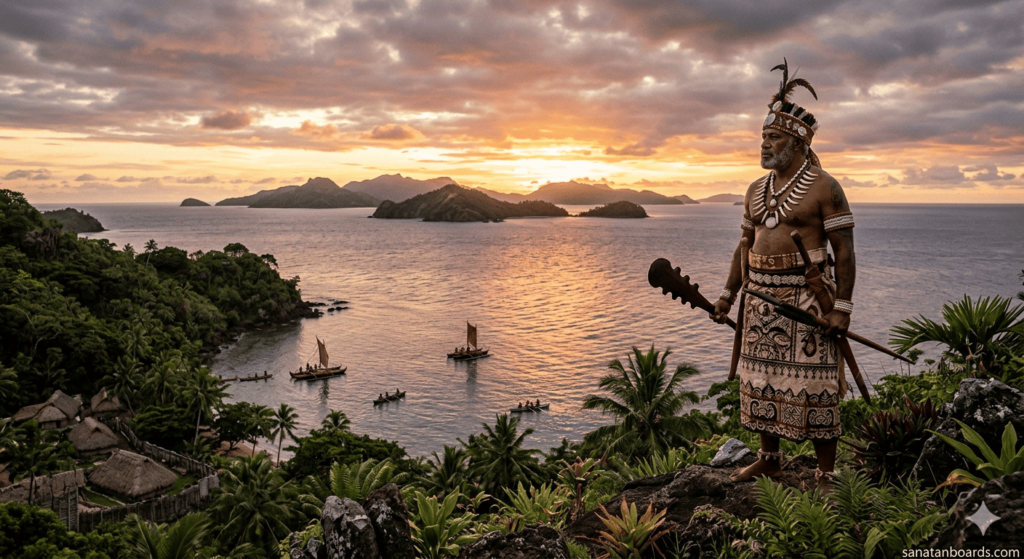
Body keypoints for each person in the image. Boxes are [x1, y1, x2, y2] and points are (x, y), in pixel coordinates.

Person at [711, 59, 855, 494]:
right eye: (763, 137)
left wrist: (842, 309)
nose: (764, 144)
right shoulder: (756, 190)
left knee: (817, 387)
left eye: (773, 137)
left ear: (796, 141)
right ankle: (769, 459)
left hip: (808, 300)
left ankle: (826, 473)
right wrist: (726, 296)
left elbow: (844, 251)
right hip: (759, 298)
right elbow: (744, 247)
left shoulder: (825, 186)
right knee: (760, 382)